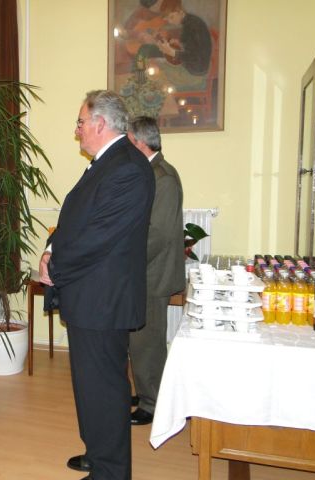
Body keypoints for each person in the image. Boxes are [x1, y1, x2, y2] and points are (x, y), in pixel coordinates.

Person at [39, 90, 155, 480]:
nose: (77, 131)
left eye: (80, 122)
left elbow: (99, 237)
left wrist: (55, 266)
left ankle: (110, 471)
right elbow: (76, 219)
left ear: (100, 124)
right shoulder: (107, 163)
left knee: (104, 388)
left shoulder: (127, 167)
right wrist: (50, 249)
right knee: (90, 385)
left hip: (104, 300)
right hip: (90, 295)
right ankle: (98, 451)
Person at [127, 116, 185, 426]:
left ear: (139, 143)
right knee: (138, 340)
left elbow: (158, 234)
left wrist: (125, 261)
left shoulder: (162, 177)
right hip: (145, 270)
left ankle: (152, 403)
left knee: (147, 342)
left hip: (153, 274)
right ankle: (144, 392)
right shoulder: (150, 172)